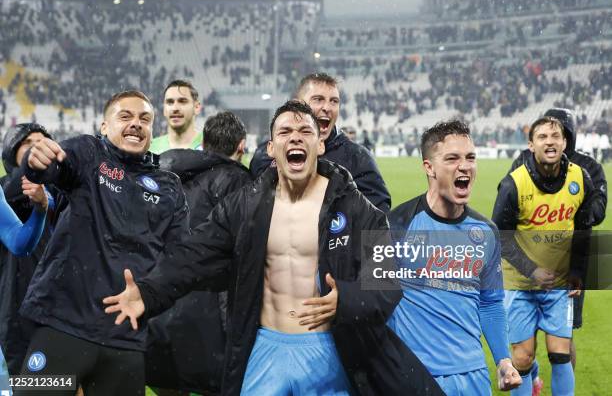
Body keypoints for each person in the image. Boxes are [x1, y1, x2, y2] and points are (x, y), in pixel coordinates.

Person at [104, 100, 444, 396]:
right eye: (284, 132)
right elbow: (192, 255)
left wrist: (348, 299)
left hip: (329, 348)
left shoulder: (357, 209)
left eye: (305, 131)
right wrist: (148, 293)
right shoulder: (244, 206)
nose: (295, 137)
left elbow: (386, 281)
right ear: (270, 148)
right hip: (265, 346)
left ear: (320, 145)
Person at [16, 90, 189, 396]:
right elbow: (53, 166)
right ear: (104, 126)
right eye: (125, 116)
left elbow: (179, 262)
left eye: (144, 119)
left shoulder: (169, 186)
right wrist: (35, 163)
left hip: (125, 338)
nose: (136, 123)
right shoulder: (88, 151)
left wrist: (150, 297)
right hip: (61, 324)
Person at [387, 119, 522, 395]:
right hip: (416, 377)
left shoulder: (486, 232)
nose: (465, 166)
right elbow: (377, 306)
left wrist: (503, 361)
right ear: (429, 167)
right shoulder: (397, 225)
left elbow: (491, 304)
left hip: (473, 378)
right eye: (452, 158)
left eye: (470, 157)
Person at [147, 111, 252, 395]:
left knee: (164, 381)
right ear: (241, 146)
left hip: (159, 309)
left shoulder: (164, 178)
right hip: (208, 320)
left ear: (203, 144)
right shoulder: (239, 184)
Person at [507, 107, 607, 392]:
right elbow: (510, 205)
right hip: (527, 265)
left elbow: (597, 211)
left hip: (569, 265)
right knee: (523, 347)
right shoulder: (524, 162)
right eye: (545, 135)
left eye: (559, 133)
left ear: (567, 137)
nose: (552, 141)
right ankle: (531, 372)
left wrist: (577, 210)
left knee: (562, 344)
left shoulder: (588, 169)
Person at [249, 73, 391, 213]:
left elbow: (378, 216)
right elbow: (251, 208)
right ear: (298, 104)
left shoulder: (357, 157)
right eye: (318, 99)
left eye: (334, 101)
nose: (327, 108)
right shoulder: (266, 155)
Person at [0, 123, 62, 375]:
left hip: (57, 293)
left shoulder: (60, 189)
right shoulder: (8, 186)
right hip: (14, 295)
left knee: (60, 380)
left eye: (43, 141)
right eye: (28, 143)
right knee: (19, 376)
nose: (37, 146)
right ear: (11, 152)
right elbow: (15, 189)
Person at [149, 80, 203, 154]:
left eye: (182, 101)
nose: (175, 108)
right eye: (170, 102)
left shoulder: (213, 146)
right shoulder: (150, 148)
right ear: (164, 109)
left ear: (196, 107)